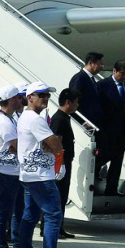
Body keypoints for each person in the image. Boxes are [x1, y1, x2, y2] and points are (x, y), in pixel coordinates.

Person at [16, 83, 77, 248]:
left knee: (30, 216)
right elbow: (57, 145)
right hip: (41, 175)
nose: (45, 98)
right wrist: (53, 142)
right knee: (53, 215)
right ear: (30, 97)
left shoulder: (25, 117)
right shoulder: (35, 120)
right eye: (40, 95)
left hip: (29, 173)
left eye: (47, 95)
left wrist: (51, 143)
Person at [0, 86, 25, 248]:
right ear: (12, 100)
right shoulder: (4, 122)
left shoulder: (10, 119)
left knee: (17, 210)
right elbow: (16, 145)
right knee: (4, 211)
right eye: (19, 97)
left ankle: (17, 246)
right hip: (5, 172)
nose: (21, 100)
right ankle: (0, 247)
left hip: (13, 171)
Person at [49, 88, 81, 238]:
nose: (77, 105)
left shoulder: (66, 117)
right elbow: (56, 141)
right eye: (76, 102)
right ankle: (49, 227)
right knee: (56, 196)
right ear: (68, 102)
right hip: (60, 164)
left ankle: (59, 226)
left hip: (66, 162)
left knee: (62, 195)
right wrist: (59, 163)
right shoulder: (59, 118)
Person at [95, 60, 125, 196]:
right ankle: (94, 174)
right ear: (114, 71)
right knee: (104, 156)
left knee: (117, 160)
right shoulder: (103, 85)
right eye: (122, 74)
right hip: (107, 131)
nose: (124, 77)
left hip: (122, 132)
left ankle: (111, 189)